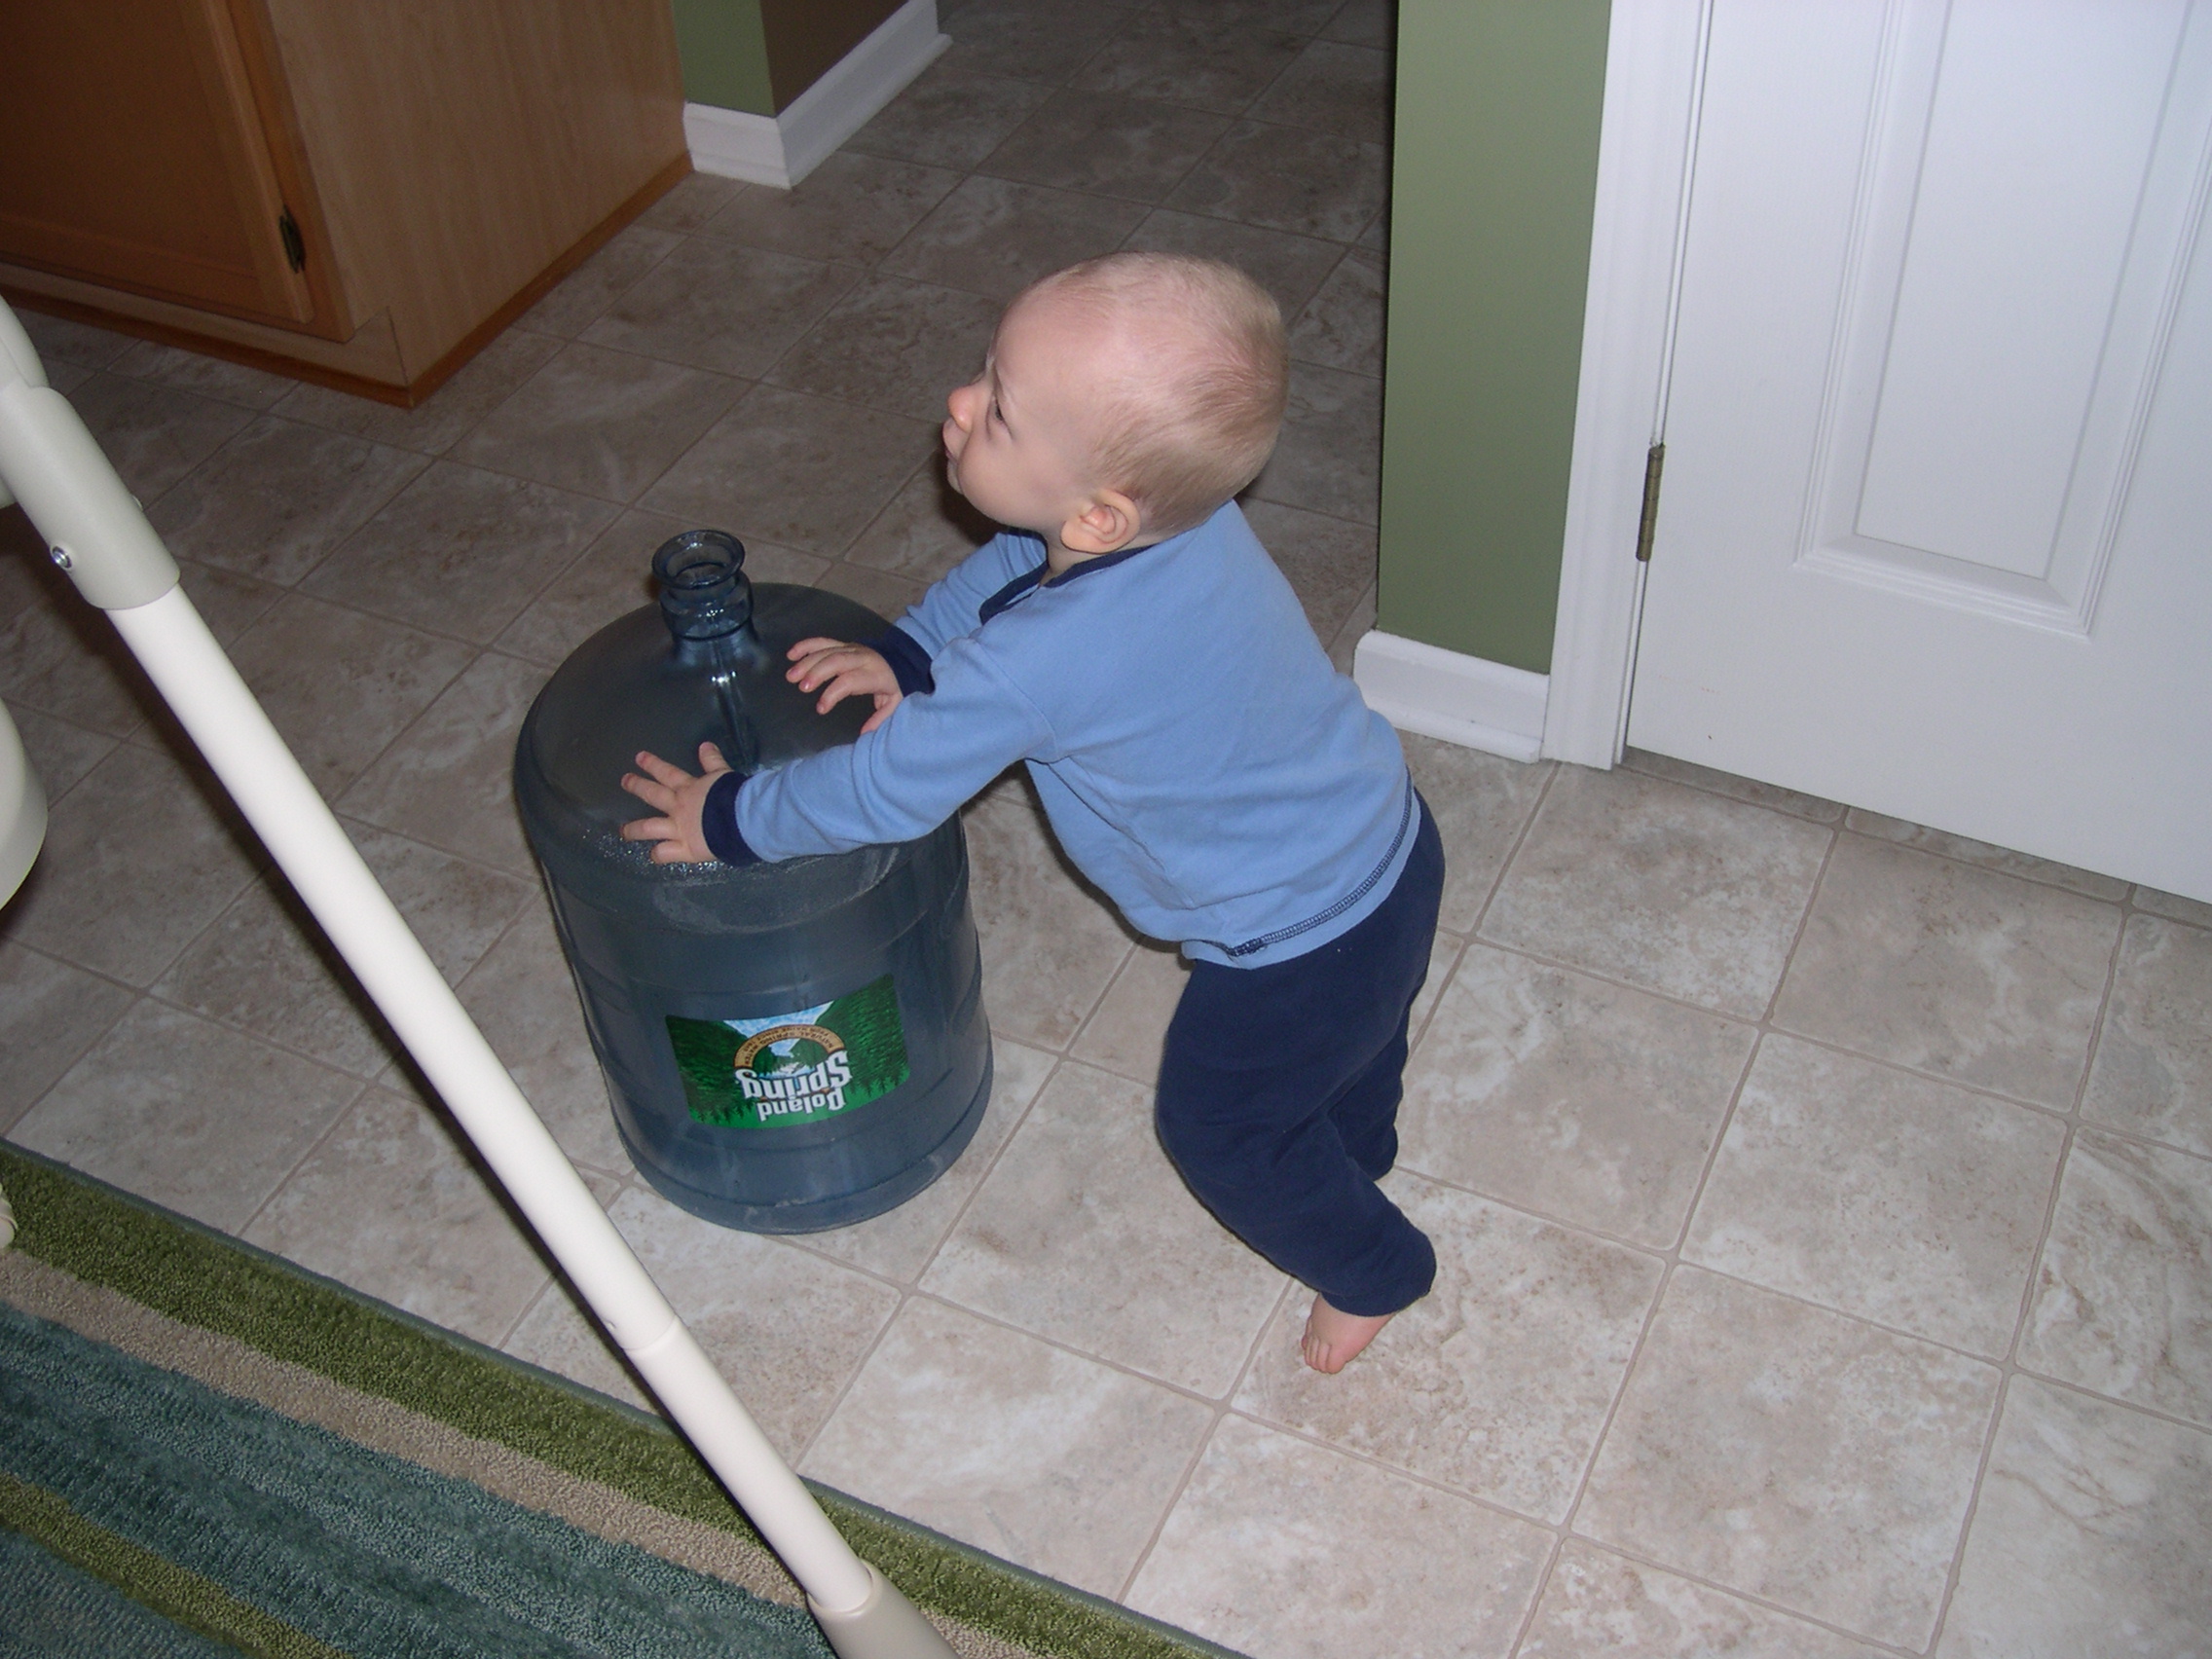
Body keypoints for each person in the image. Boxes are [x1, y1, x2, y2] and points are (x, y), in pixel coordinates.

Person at [619, 252, 1443, 1374]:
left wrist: (728, 820)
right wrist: (907, 654)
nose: (959, 405)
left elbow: (882, 789)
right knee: (1363, 1036)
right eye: (985, 376)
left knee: (1221, 1128)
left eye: (998, 411)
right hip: (1389, 840)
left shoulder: (1034, 668)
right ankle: (1360, 1145)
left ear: (1101, 514)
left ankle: (1374, 1264)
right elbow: (1010, 570)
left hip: (1294, 942)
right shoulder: (1180, 523)